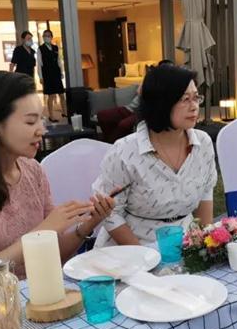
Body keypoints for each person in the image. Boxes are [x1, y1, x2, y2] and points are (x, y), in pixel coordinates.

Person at [0, 71, 115, 290]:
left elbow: (52, 253)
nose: (41, 130)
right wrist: (39, 235)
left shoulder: (33, 171)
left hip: (30, 294)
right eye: (30, 121)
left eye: (41, 119)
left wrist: (88, 225)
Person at [93, 63, 218, 246]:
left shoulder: (203, 143)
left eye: (196, 98)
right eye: (185, 99)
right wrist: (142, 255)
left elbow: (206, 192)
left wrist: (207, 245)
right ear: (161, 103)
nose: (194, 107)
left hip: (186, 242)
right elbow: (110, 213)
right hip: (133, 245)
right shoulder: (125, 151)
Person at [37, 29, 66, 123]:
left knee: (61, 94)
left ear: (51, 37)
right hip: (47, 74)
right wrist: (40, 77)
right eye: (45, 36)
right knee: (51, 95)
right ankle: (51, 116)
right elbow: (39, 64)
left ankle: (64, 112)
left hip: (56, 72)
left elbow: (59, 60)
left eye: (48, 35)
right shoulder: (40, 49)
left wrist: (61, 72)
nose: (46, 37)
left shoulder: (55, 47)